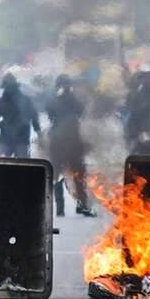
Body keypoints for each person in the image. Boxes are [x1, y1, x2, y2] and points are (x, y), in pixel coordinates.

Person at [45, 74, 96, 217]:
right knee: (78, 174)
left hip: (58, 141)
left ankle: (60, 208)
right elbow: (81, 112)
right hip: (73, 141)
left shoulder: (53, 100)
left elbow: (50, 115)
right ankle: (82, 204)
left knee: (57, 174)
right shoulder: (73, 101)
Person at [0, 73, 40, 158]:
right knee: (21, 167)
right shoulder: (26, 100)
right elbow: (34, 116)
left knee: (1, 167)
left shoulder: (1, 102)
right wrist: (37, 130)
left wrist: (0, 124)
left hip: (12, 141)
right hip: (15, 140)